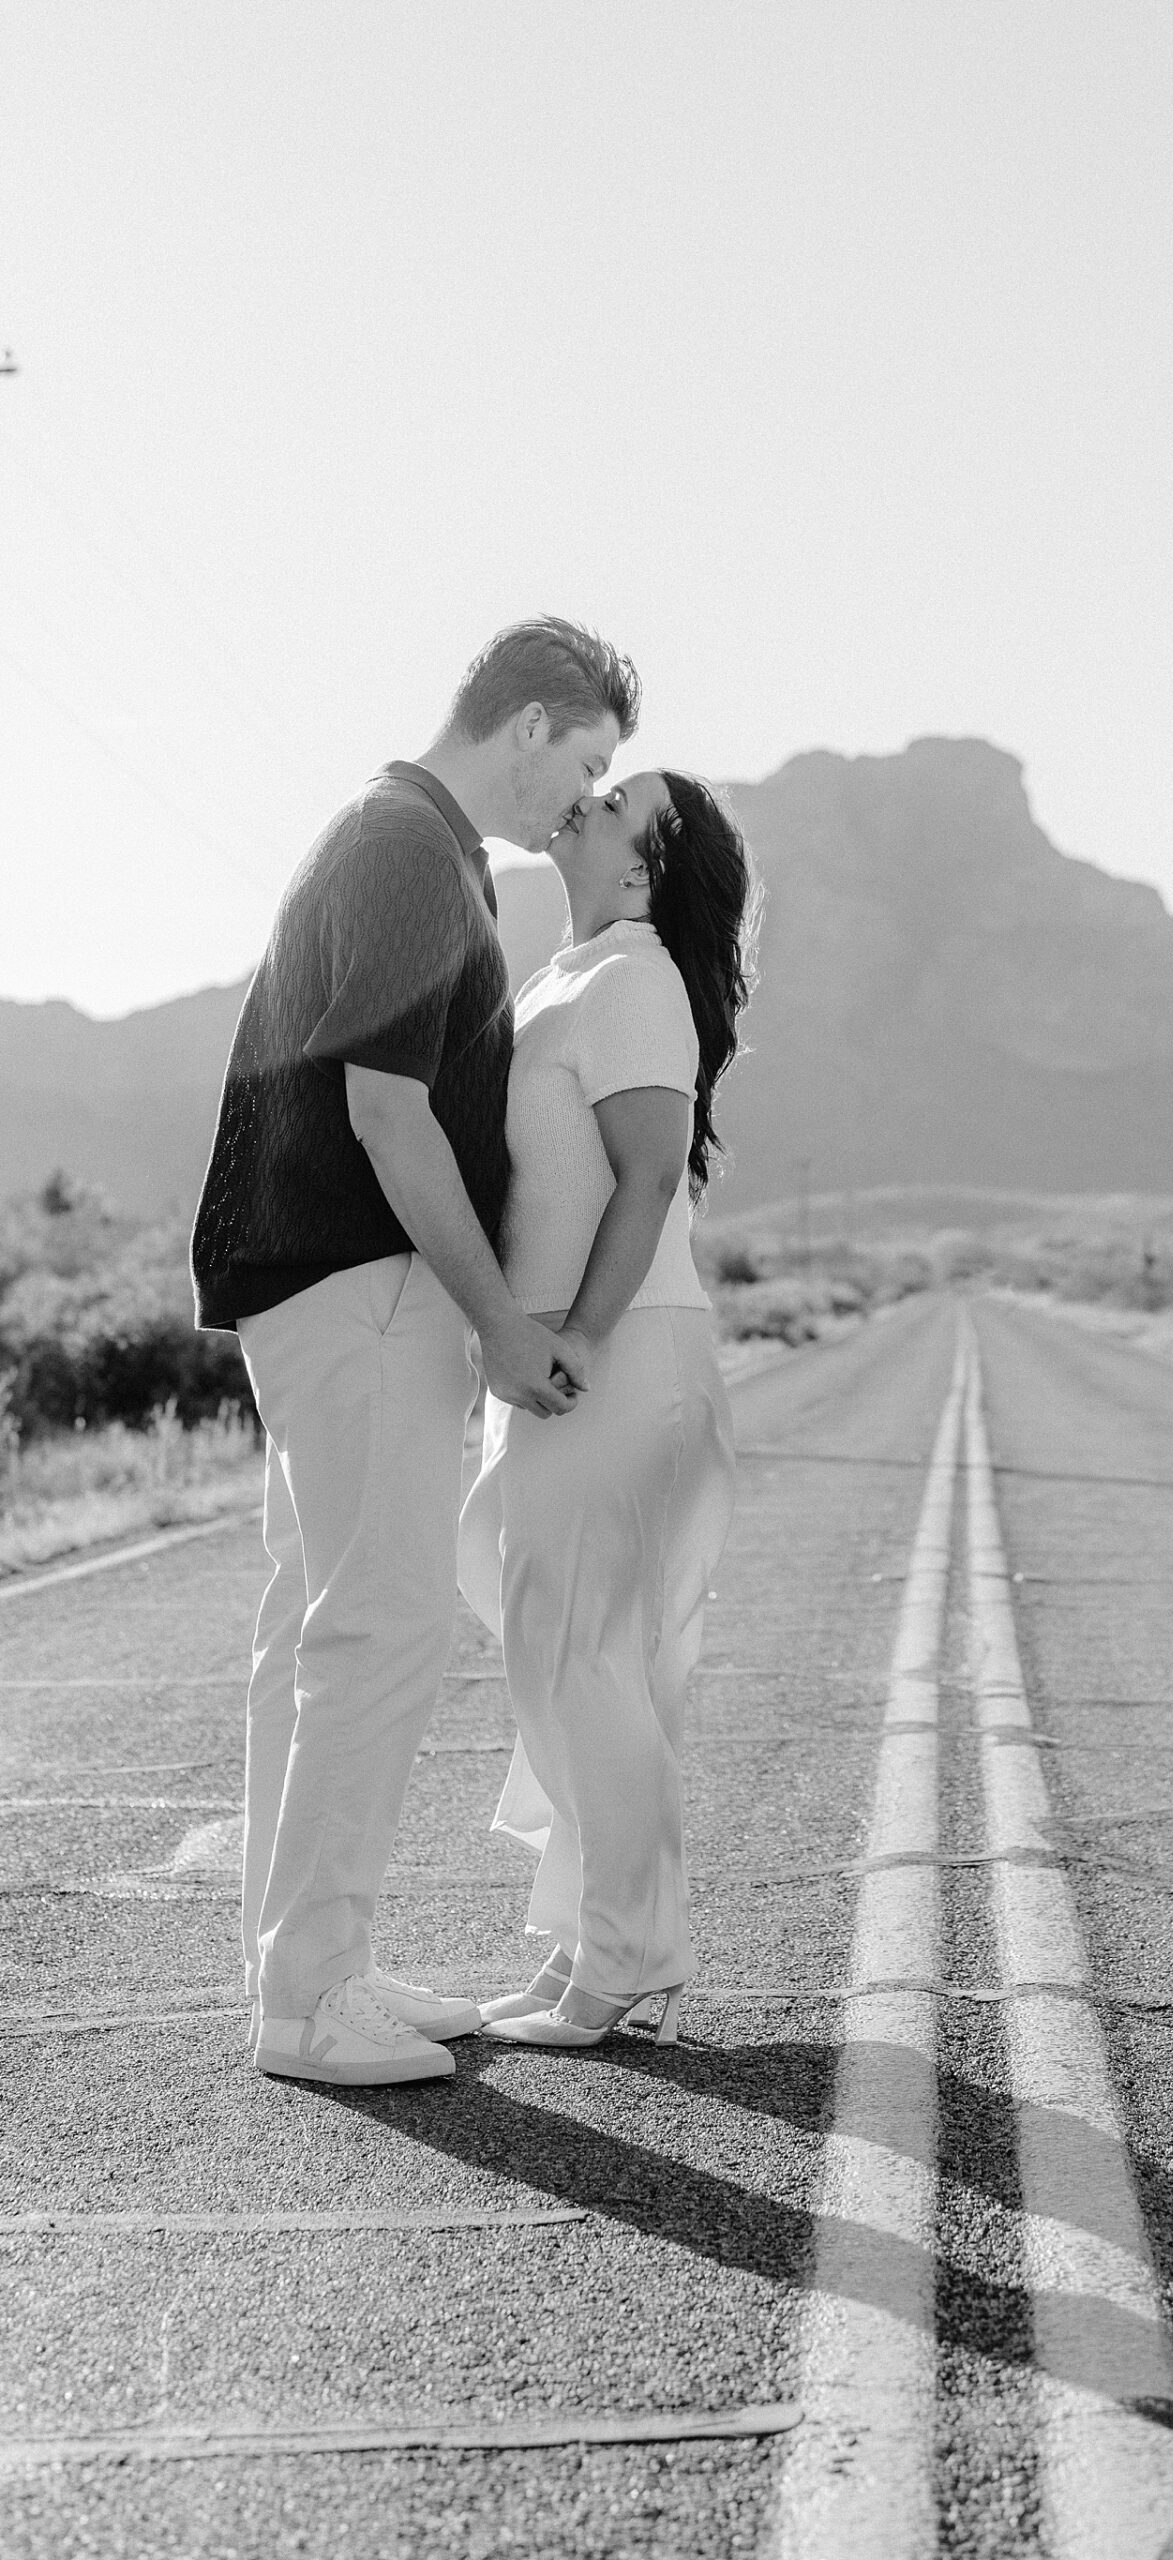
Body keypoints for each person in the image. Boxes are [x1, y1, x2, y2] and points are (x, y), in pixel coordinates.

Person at [190, 617, 639, 2088]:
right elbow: (389, 1115)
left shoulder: (409, 844)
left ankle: (313, 1968)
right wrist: (501, 1321)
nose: (577, 804)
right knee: (376, 1630)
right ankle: (308, 2005)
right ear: (527, 726)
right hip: (363, 1287)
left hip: (325, 1286)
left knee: (307, 1636)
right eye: (581, 765)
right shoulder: (402, 843)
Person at [456, 767, 755, 2050]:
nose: (582, 800)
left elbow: (643, 1183)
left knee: (578, 1654)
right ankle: (594, 1937)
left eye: (614, 799)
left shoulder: (633, 982)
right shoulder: (565, 979)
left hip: (618, 1349)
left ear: (646, 865)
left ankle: (624, 1953)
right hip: (569, 1352)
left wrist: (574, 1331)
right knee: (564, 1650)